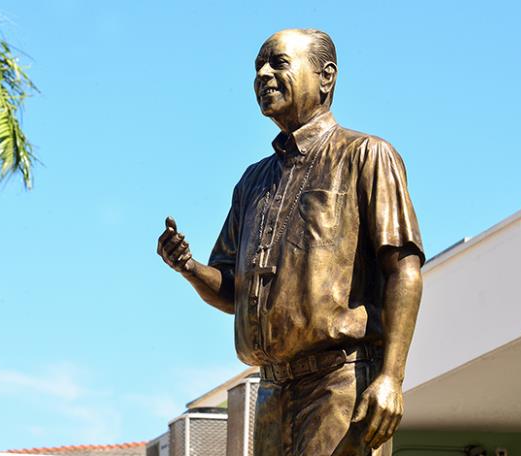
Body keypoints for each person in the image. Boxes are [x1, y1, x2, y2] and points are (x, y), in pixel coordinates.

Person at [157, 28, 424, 456]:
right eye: (257, 67)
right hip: (271, 392)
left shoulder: (366, 155)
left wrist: (391, 377)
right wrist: (189, 267)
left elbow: (403, 269)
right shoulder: (252, 181)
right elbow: (233, 292)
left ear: (326, 77)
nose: (263, 74)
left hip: (340, 382)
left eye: (277, 62)